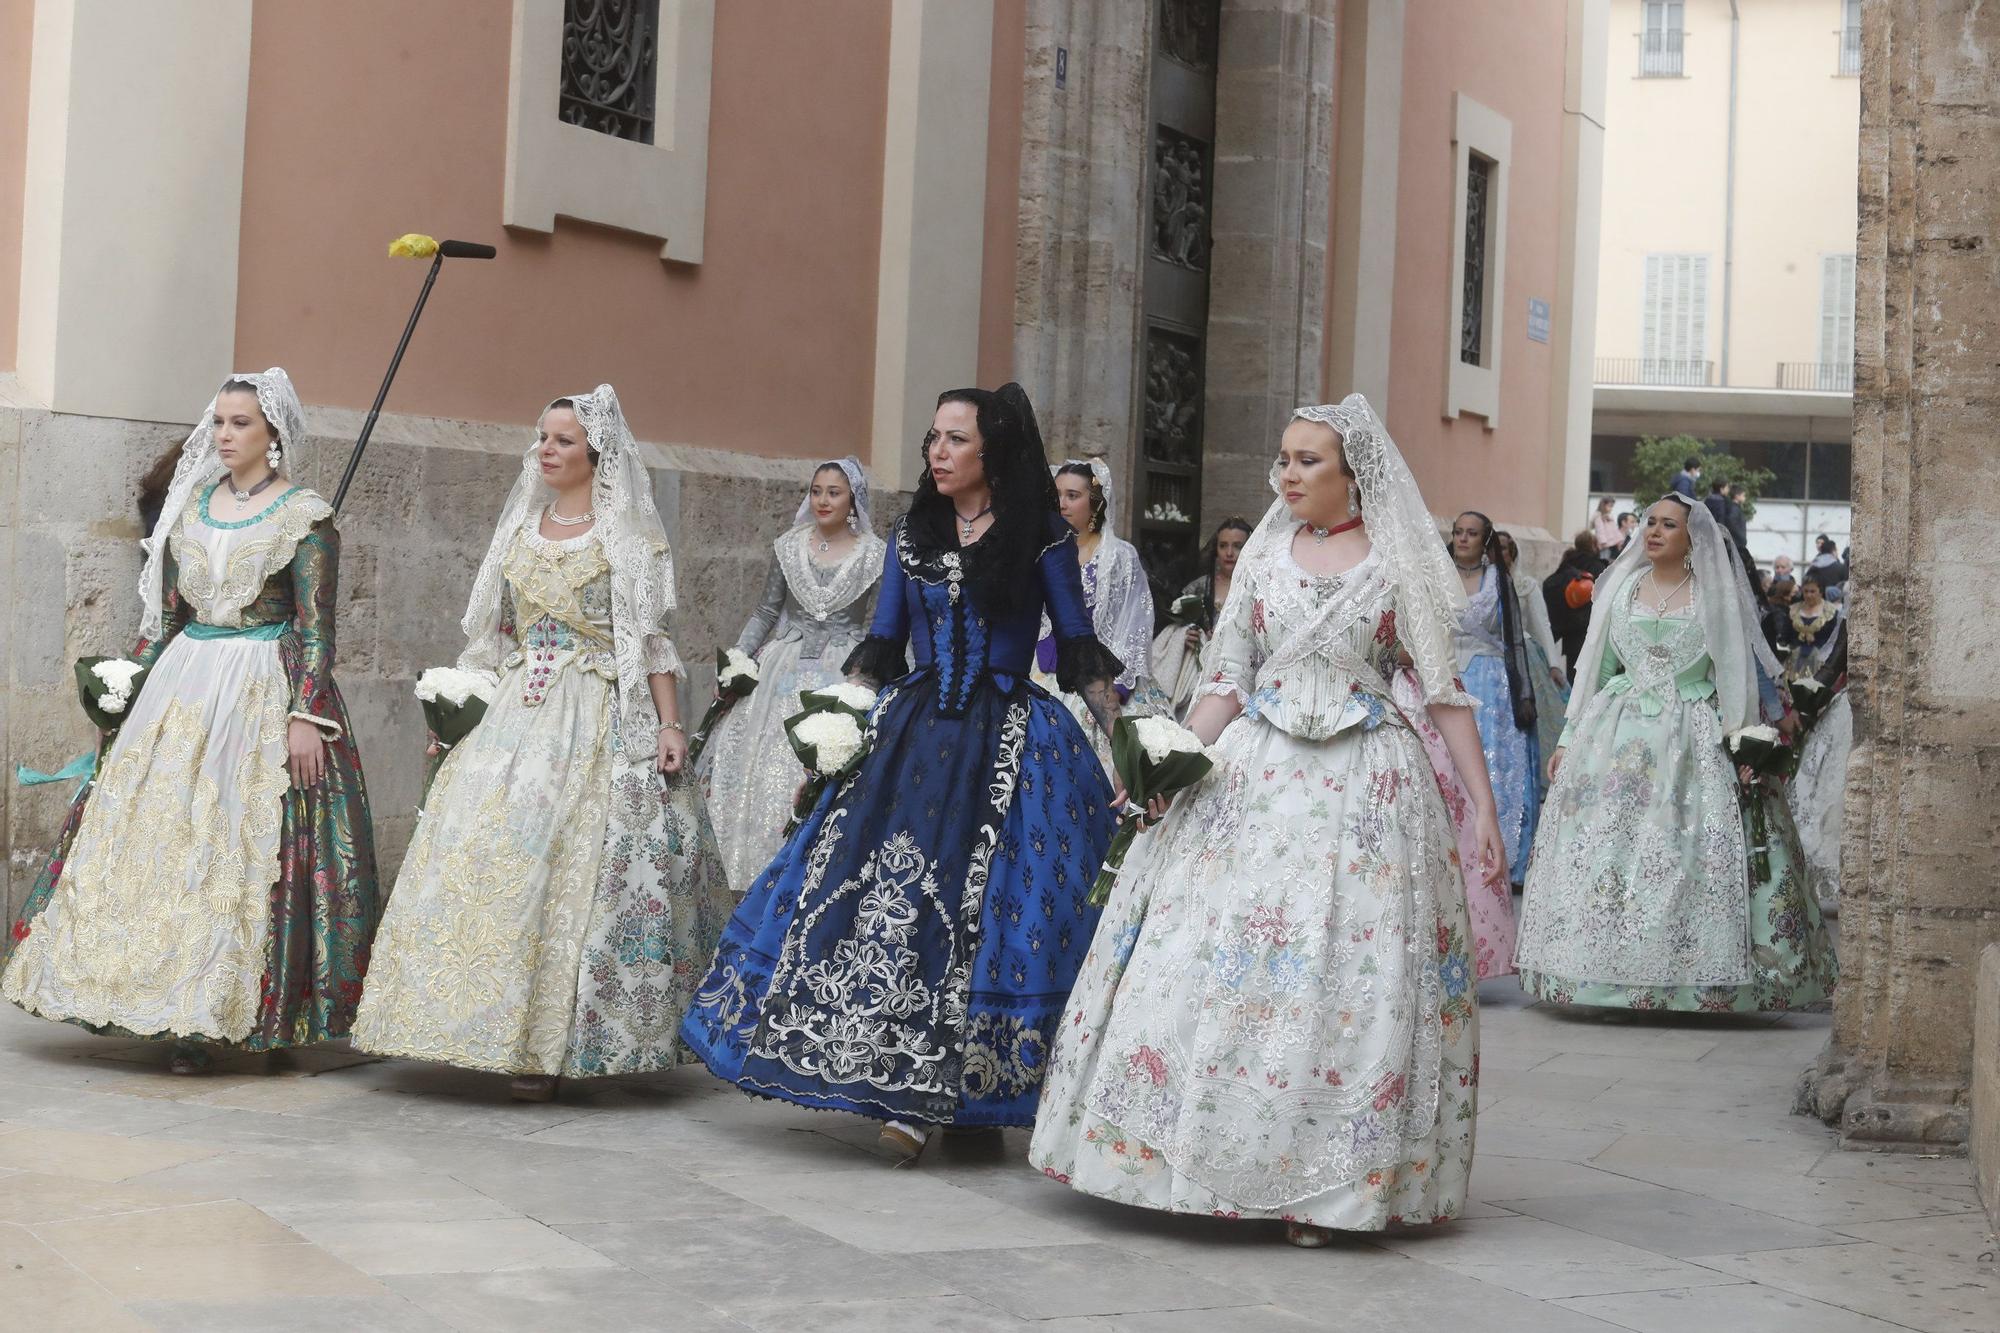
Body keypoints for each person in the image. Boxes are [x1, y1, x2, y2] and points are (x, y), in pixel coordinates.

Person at [1030, 394, 1500, 1245]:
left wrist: (1483, 810)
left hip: (1368, 790)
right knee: (1230, 962)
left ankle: (1323, 1185)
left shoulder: (1398, 562)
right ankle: (1193, 1157)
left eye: (1308, 459)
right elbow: (1225, 682)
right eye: (1283, 456)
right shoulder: (1265, 558)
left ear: (1354, 475)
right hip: (1256, 775)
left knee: (1349, 980)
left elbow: (1441, 691)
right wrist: (1165, 766)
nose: (1287, 472)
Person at [681, 383, 1123, 1162]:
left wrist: (1135, 745)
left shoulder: (1042, 536)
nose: (937, 452)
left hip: (1011, 738)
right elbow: (879, 649)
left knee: (989, 906)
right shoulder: (913, 533)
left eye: (956, 439)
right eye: (933, 438)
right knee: (891, 898)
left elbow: (1082, 649)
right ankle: (897, 1081)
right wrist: (829, 742)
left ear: (994, 450)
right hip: (913, 736)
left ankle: (968, 1095)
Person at [351, 386, 732, 1101]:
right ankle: (461, 1025)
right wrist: (459, 715)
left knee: (578, 869)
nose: (546, 450)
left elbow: (649, 643)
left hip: (596, 713)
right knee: (491, 854)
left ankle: (551, 1046)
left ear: (596, 453)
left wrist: (670, 725)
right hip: (515, 712)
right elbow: (491, 638)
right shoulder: (520, 533)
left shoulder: (628, 540)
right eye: (542, 438)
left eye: (561, 439)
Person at [3, 370, 379, 1073]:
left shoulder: (307, 517)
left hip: (264, 685)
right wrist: (122, 690)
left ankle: (248, 1012)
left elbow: (320, 631)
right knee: (164, 839)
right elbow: (165, 622)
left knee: (240, 845)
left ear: (274, 435)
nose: (225, 435)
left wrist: (306, 715)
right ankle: (171, 1012)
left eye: (240, 423)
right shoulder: (191, 510)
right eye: (219, 422)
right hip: (184, 686)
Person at [1514, 495, 1837, 1012]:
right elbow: (1595, 668)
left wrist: (1742, 739)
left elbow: (1732, 673)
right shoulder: (1619, 588)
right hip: (1615, 737)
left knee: (1685, 851)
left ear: (1694, 538)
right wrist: (1570, 739)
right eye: (1650, 523)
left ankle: (1689, 979)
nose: (1655, 532)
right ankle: (1604, 972)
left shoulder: (1713, 595)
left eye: (1669, 524)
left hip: (1692, 737)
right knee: (1609, 851)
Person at [697, 458, 886, 892]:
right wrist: (739, 659)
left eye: (833, 492)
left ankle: (813, 877)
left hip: (845, 669)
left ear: (853, 499)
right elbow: (765, 611)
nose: (822, 500)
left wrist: (877, 679)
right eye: (817, 490)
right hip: (781, 667)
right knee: (756, 762)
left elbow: (882, 626)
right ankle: (748, 875)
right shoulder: (789, 545)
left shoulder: (875, 555)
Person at [1034, 459, 1166, 763]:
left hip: (1104, 674)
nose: (1062, 504)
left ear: (1095, 503)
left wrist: (1115, 687)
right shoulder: (1042, 553)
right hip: (1046, 671)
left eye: (1073, 495)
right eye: (1057, 495)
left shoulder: (1119, 556)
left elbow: (1136, 621)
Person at [1449, 512, 1541, 883]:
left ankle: (1497, 855)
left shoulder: (1497, 580)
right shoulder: (1436, 575)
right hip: (1446, 676)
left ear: (1485, 539)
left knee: (1493, 762)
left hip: (1491, 684)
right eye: (1458, 532)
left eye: (1472, 533)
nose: (1463, 539)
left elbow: (1513, 634)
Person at [1495, 530, 1571, 807]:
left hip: (1524, 658)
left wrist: (1553, 664)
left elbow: (1542, 625)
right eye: (1494, 548)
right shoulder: (1479, 585)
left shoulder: (1526, 585)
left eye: (1504, 548)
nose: (1499, 553)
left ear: (1512, 552)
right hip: (1489, 660)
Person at [1149, 517, 1251, 717]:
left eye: (1237, 546)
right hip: (1199, 676)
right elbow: (1175, 626)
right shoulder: (1197, 587)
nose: (1229, 553)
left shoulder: (1256, 589)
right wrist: (1186, 636)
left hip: (1241, 676)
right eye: (1223, 546)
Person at [1543, 531, 1601, 672]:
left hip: (1570, 632)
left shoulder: (1568, 562)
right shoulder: (1597, 565)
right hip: (1590, 630)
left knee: (1573, 676)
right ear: (1593, 545)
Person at [1786, 573, 1843, 680]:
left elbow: (1835, 640)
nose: (1808, 595)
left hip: (1821, 663)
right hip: (1795, 663)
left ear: (1820, 591)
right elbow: (1787, 636)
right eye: (1806, 591)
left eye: (1812, 591)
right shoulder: (1794, 610)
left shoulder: (1830, 611)